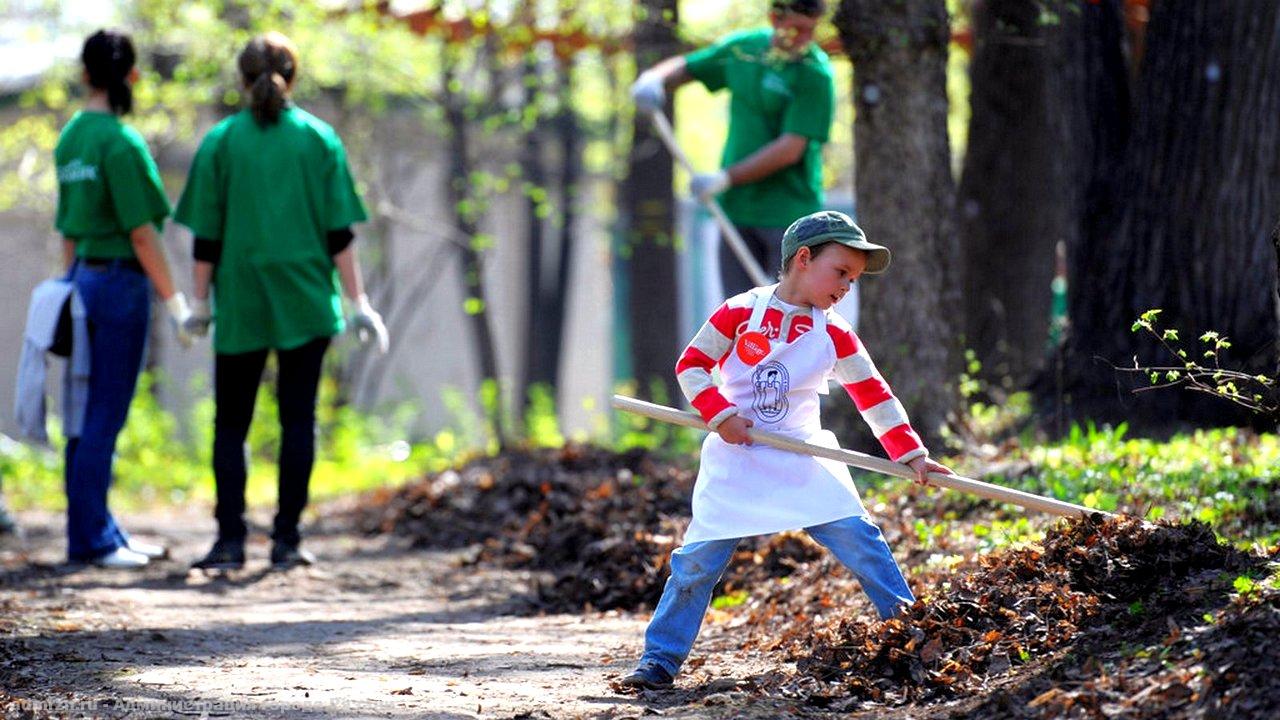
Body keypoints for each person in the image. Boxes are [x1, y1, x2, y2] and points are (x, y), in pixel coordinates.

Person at [619, 210, 954, 690]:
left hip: (803, 456)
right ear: (803, 259)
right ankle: (659, 660)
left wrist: (912, 454)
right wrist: (721, 415)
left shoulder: (835, 332)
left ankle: (915, 636)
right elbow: (692, 366)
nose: (846, 288)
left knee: (863, 543)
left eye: (854, 280)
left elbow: (874, 395)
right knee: (695, 564)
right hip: (737, 456)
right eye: (841, 273)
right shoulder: (738, 312)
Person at [174, 32, 388, 571]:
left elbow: (207, 238)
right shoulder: (319, 140)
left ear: (242, 80)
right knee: (298, 420)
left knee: (232, 424)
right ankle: (286, 541)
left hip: (242, 298)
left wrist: (199, 304)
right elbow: (339, 234)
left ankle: (229, 542)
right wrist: (358, 301)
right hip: (305, 300)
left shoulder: (222, 141)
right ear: (292, 78)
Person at [53, 29, 191, 569]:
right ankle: (93, 540)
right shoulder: (120, 142)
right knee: (105, 413)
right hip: (119, 285)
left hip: (82, 279)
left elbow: (67, 228)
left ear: (86, 74)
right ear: (130, 76)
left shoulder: (70, 139)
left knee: (82, 413)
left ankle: (96, 529)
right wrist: (176, 301)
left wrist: (68, 287)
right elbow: (142, 233)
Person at [631, 0, 835, 297]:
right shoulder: (744, 51)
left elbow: (791, 147)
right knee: (739, 310)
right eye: (796, 29)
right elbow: (689, 67)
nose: (804, 38)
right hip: (737, 210)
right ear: (775, 19)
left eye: (810, 30)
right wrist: (655, 80)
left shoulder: (814, 74)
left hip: (789, 215)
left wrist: (725, 178)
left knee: (792, 310)